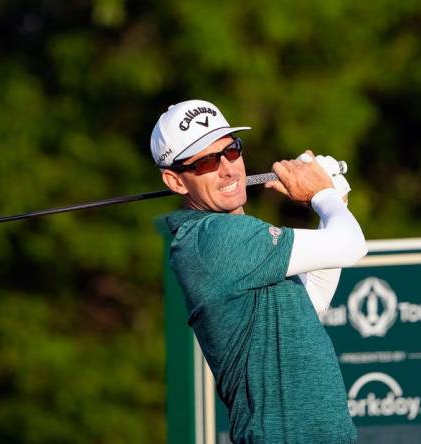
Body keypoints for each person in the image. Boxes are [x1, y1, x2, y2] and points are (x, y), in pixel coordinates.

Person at [152, 99, 367, 443]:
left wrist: (334, 203)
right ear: (176, 182)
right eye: (206, 161)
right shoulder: (212, 239)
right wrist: (321, 193)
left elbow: (311, 307)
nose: (227, 169)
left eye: (231, 151)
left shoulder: (242, 238)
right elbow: (352, 245)